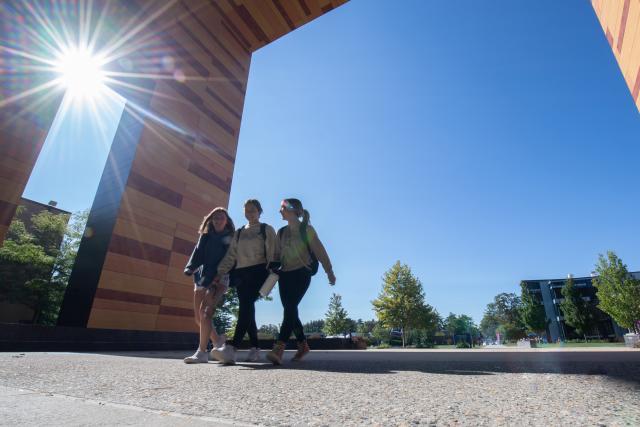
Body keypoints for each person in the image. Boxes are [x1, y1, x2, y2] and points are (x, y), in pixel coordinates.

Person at [266, 198, 336, 365]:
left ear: (291, 209)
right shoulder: (281, 232)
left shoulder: (307, 230)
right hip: (284, 275)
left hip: (302, 273)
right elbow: (276, 254)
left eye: (282, 208)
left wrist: (329, 271)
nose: (279, 211)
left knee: (290, 308)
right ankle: (303, 345)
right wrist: (271, 268)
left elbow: (319, 250)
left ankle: (279, 347)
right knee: (291, 310)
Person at [213, 199, 277, 364]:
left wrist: (273, 273)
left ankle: (231, 348)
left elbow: (273, 252)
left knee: (246, 305)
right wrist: (220, 271)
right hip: (241, 273)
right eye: (247, 211)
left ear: (259, 211)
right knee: (247, 307)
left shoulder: (266, 229)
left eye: (253, 210)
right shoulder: (239, 232)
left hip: (259, 271)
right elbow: (231, 255)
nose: (250, 213)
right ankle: (255, 348)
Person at [183, 207, 235, 364]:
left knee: (206, 312)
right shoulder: (205, 237)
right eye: (216, 217)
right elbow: (197, 253)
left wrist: (219, 276)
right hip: (202, 277)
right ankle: (218, 340)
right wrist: (190, 267)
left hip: (219, 278)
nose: (218, 220)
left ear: (227, 221)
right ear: (211, 220)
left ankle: (202, 352)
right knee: (198, 318)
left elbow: (231, 258)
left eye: (222, 218)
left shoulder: (229, 238)